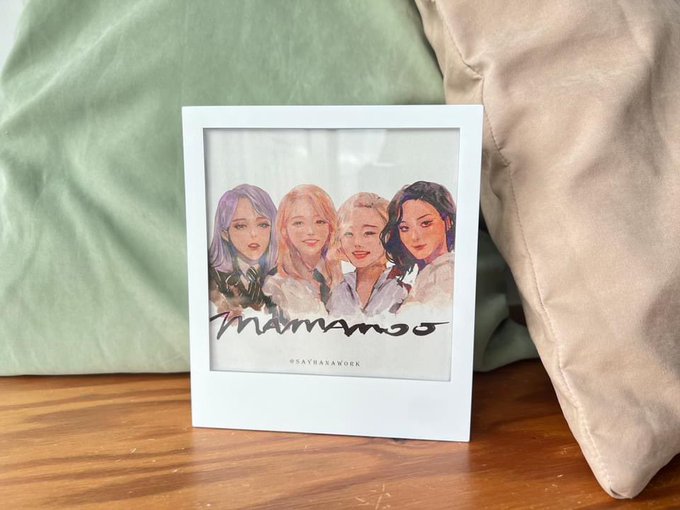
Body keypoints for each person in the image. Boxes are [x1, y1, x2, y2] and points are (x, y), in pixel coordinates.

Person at [263, 184, 342, 320]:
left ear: (331, 227)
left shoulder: (342, 279)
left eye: (319, 221)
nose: (310, 231)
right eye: (299, 223)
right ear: (284, 230)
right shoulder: (275, 285)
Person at [326, 193, 408, 318]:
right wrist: (332, 263)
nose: (357, 242)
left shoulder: (403, 286)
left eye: (369, 233)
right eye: (348, 233)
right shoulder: (338, 285)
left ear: (389, 235)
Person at [381, 181, 456, 310]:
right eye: (405, 228)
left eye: (425, 223)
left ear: (448, 222)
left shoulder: (445, 273)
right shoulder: (425, 274)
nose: (414, 237)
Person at [208, 184, 278, 316]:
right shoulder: (211, 278)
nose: (253, 234)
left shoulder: (285, 276)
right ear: (225, 233)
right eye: (241, 226)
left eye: (263, 224)